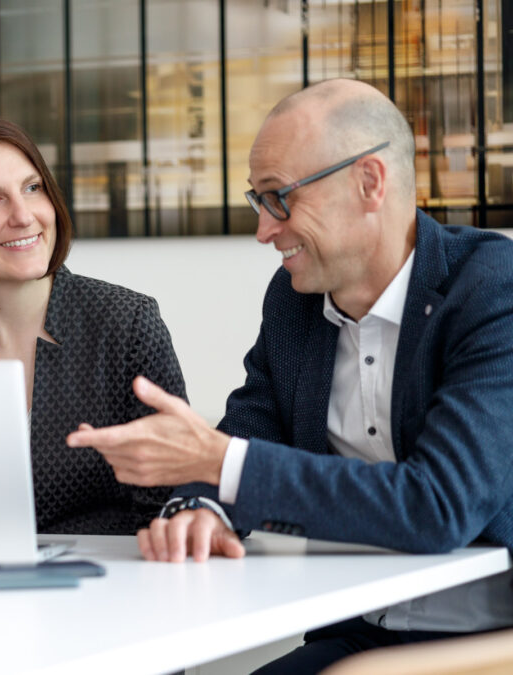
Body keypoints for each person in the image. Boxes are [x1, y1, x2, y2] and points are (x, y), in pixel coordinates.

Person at [67, 78, 513, 672]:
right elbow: (253, 428)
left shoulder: (491, 292)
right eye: (260, 201)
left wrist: (215, 463)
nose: (264, 230)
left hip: (485, 645)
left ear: (369, 182)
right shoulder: (296, 300)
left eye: (280, 198)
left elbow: (438, 506)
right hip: (357, 634)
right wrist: (202, 509)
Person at [0, 116, 186, 535]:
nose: (24, 216)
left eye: (32, 188)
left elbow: (172, 503)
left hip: (110, 584)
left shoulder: (125, 323)